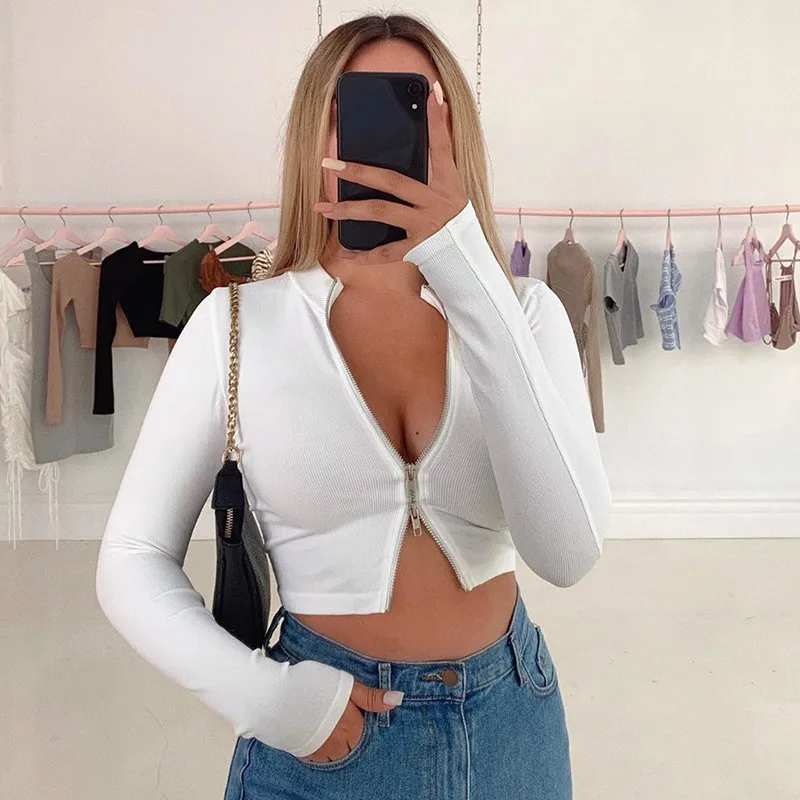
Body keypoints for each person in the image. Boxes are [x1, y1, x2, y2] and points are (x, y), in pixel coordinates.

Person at [95, 13, 612, 799]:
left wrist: (466, 268)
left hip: (512, 723)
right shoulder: (236, 324)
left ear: (454, 137)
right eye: (347, 108)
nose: (375, 140)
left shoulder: (527, 314)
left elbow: (567, 554)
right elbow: (131, 557)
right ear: (313, 133)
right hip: (320, 737)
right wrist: (269, 701)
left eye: (412, 105)